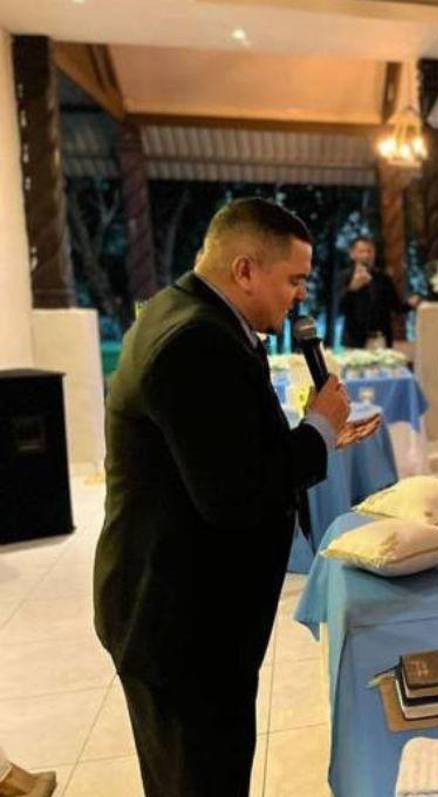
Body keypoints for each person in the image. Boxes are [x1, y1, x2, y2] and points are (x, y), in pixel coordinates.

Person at [94, 198, 379, 796]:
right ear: (245, 269)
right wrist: (318, 431)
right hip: (179, 622)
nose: (299, 296)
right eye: (294, 280)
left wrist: (317, 437)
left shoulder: (196, 315)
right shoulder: (192, 341)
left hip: (192, 611)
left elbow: (233, 447)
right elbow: (234, 495)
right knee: (199, 779)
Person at [339, 235, 405, 349]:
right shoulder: (344, 277)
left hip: (380, 339)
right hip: (354, 342)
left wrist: (412, 304)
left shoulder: (383, 278)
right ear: (352, 254)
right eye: (361, 251)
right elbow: (339, 309)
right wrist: (353, 288)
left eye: (370, 251)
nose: (366, 255)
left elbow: (396, 306)